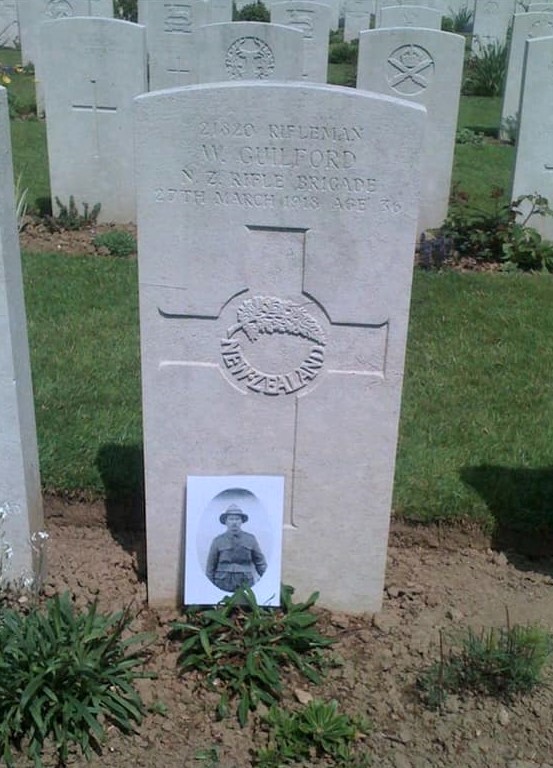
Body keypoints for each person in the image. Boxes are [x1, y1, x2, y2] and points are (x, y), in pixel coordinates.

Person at [205, 503, 267, 592]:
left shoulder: (250, 539)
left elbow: (260, 563)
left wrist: (267, 582)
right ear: (226, 522)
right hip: (222, 582)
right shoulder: (218, 540)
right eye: (231, 519)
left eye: (237, 519)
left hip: (245, 582)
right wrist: (210, 589)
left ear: (241, 521)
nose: (234, 522)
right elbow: (210, 568)